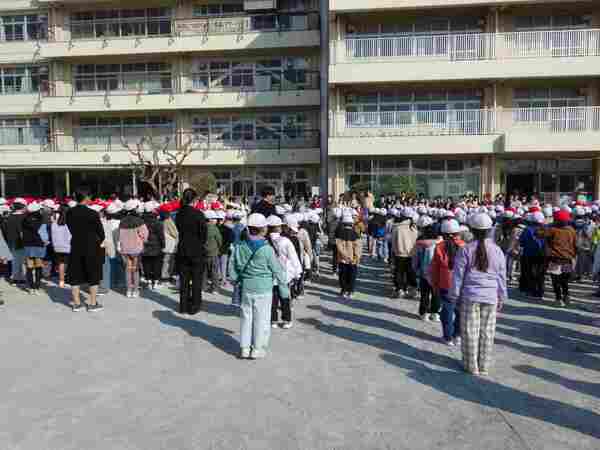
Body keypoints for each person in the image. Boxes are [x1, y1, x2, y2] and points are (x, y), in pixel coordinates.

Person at [450, 213, 507, 376]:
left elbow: (458, 275)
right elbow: (501, 276)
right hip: (491, 295)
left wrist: (454, 295)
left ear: (472, 230)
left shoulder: (466, 249)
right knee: (487, 332)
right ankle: (484, 365)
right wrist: (502, 296)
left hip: (470, 295)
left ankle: (471, 365)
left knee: (470, 331)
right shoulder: (497, 250)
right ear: (489, 230)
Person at [229, 213, 289, 359]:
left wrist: (236, 280)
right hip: (264, 288)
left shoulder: (240, 246)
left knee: (246, 318)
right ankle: (257, 348)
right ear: (263, 229)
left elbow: (233, 265)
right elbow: (277, 270)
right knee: (261, 319)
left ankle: (244, 348)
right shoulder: (267, 249)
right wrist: (284, 289)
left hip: (247, 286)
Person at [66, 188, 106, 312]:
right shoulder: (93, 213)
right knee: (93, 274)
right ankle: (92, 303)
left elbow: (70, 228)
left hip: (76, 244)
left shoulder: (69, 212)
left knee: (75, 274)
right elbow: (101, 233)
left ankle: (77, 303)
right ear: (86, 197)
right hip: (91, 246)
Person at [430, 219, 465, 345]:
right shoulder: (464, 246)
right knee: (460, 311)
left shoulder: (439, 247)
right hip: (461, 284)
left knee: (447, 311)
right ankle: (457, 335)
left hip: (445, 283)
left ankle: (447, 337)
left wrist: (434, 284)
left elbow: (434, 268)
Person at [176, 188, 208, 314]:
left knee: (184, 280)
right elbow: (203, 234)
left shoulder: (179, 214)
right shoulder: (198, 214)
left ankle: (183, 306)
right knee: (196, 280)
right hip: (196, 250)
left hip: (183, 248)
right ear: (194, 199)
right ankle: (194, 306)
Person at [267, 215, 302, 329]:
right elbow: (293, 258)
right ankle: (286, 320)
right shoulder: (285, 241)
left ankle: (273, 320)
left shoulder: (265, 241)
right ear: (278, 227)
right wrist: (297, 273)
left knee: (273, 299)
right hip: (283, 274)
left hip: (270, 274)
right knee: (285, 298)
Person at [538, 210, 577, 307]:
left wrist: (544, 224)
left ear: (556, 220)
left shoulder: (552, 230)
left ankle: (558, 299)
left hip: (555, 259)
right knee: (564, 280)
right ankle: (567, 296)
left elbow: (538, 234)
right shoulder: (572, 230)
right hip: (567, 259)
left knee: (556, 280)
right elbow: (576, 245)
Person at [119, 199, 149, 298]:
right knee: (135, 270)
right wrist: (143, 240)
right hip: (137, 249)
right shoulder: (139, 221)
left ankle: (128, 290)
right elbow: (145, 234)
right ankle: (135, 290)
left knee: (128, 270)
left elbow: (120, 236)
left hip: (125, 249)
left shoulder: (122, 221)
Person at [413, 215, 440, 321]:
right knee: (436, 293)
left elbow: (416, 258)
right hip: (437, 271)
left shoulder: (420, 241)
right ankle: (435, 313)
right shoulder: (439, 240)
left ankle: (424, 313)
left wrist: (415, 269)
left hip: (424, 271)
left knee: (425, 293)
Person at [22, 202, 49, 294]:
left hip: (27, 244)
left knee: (29, 266)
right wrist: (46, 241)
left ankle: (30, 287)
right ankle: (37, 286)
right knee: (38, 265)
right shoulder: (41, 219)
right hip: (39, 244)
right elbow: (43, 233)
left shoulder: (24, 219)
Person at [391, 208, 418, 299]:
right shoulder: (414, 228)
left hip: (399, 254)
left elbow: (393, 242)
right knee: (411, 272)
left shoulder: (397, 227)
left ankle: (400, 289)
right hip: (412, 254)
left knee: (399, 272)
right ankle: (413, 289)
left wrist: (394, 252)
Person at [519, 211, 546, 299]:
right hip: (543, 254)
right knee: (541, 273)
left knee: (530, 272)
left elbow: (521, 242)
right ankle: (540, 292)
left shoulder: (527, 229)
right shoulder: (546, 228)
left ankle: (531, 291)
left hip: (529, 254)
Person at [335, 212, 362, 299]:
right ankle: (351, 291)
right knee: (352, 276)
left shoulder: (339, 234)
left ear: (343, 224)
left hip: (342, 259)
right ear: (352, 224)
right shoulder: (356, 234)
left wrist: (344, 256)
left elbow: (339, 247)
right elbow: (358, 248)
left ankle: (343, 290)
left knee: (342, 275)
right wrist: (356, 257)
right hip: (352, 260)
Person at [141, 202, 165, 290]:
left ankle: (148, 281)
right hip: (156, 245)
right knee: (157, 264)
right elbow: (161, 236)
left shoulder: (142, 221)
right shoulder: (157, 222)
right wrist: (163, 245)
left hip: (144, 245)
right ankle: (156, 281)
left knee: (146, 263)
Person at [4, 199, 27, 285]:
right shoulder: (23, 217)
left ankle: (15, 278)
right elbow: (21, 231)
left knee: (15, 261)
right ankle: (20, 278)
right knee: (22, 262)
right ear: (22, 206)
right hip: (20, 242)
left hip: (10, 241)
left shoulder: (9, 217)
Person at [51, 205, 71, 289]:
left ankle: (61, 281)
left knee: (61, 264)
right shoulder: (70, 223)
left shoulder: (54, 223)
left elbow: (53, 235)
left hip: (57, 247)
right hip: (68, 246)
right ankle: (68, 279)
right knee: (69, 264)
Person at [203, 210, 223, 294]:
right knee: (214, 272)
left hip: (203, 253)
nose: (216, 220)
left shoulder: (202, 227)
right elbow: (219, 240)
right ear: (210, 219)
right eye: (215, 219)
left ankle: (203, 287)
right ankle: (215, 289)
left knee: (203, 272)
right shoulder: (214, 228)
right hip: (213, 253)